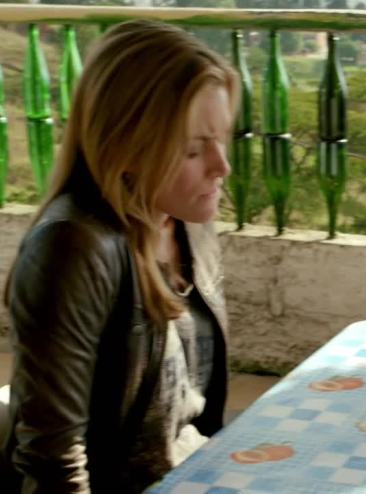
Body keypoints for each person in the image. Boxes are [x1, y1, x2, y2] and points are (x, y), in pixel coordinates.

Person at [1, 19, 238, 492]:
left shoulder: (182, 219)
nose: (222, 166)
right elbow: (54, 462)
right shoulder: (72, 249)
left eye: (221, 138)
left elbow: (192, 414)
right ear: (126, 145)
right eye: (194, 150)